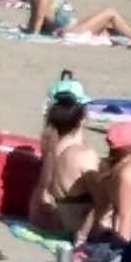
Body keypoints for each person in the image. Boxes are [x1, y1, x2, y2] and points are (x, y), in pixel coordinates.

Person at [31, 95, 102, 238]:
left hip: (52, 220)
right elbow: (102, 199)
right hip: (77, 225)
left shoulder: (51, 149)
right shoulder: (84, 155)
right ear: (82, 121)